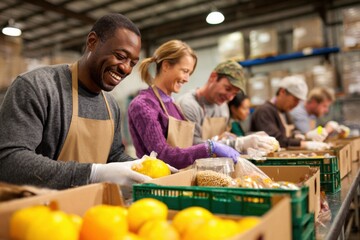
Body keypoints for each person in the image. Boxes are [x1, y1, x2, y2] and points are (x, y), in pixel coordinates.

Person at [0, 13, 152, 192]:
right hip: (39, 213)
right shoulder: (37, 87)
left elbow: (113, 156)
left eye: (132, 63)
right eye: (120, 56)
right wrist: (92, 173)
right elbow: (9, 161)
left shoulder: (110, 105)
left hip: (92, 214)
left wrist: (149, 167)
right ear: (92, 42)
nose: (125, 68)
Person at [127, 40, 240, 169]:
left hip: (179, 179)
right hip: (156, 184)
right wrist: (209, 147)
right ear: (166, 66)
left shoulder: (174, 105)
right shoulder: (143, 105)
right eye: (184, 71)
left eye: (189, 73)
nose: (187, 79)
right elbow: (162, 155)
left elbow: (185, 147)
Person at [177, 60, 278, 154]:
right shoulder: (189, 105)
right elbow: (191, 145)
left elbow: (222, 137)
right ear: (213, 77)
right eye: (227, 88)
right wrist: (236, 144)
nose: (230, 97)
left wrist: (250, 140)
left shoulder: (223, 107)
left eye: (234, 94)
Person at [250, 75, 329, 149]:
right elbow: (276, 140)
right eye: (295, 100)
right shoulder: (264, 112)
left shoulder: (284, 111)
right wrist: (306, 144)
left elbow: (291, 133)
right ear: (282, 92)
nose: (296, 104)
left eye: (299, 101)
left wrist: (305, 136)